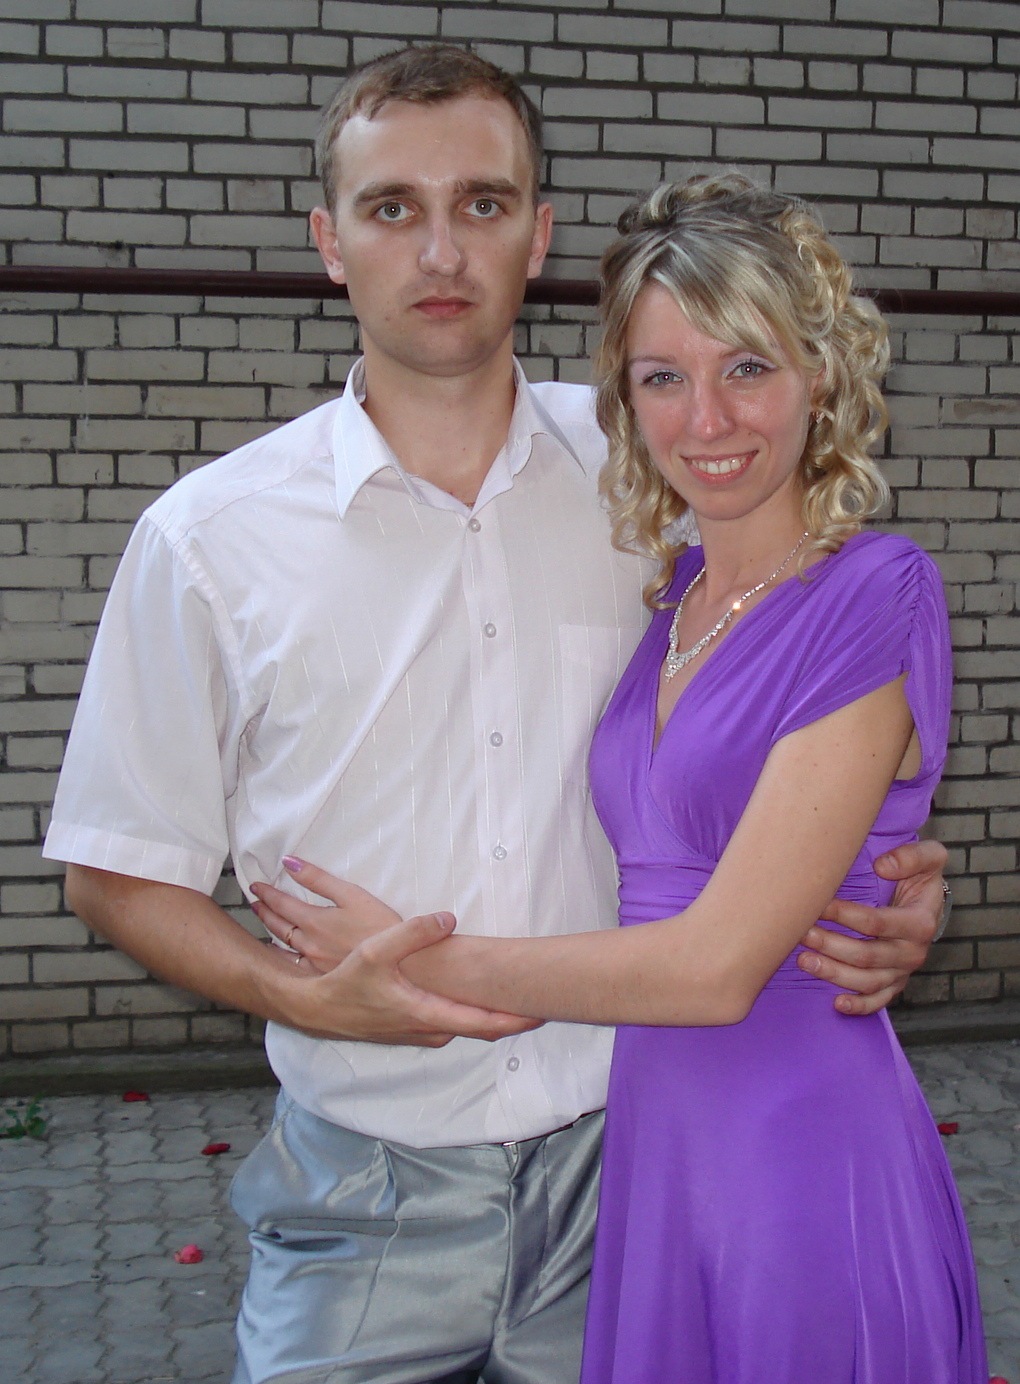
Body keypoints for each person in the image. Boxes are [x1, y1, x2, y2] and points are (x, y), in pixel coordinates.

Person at [43, 46, 949, 1384]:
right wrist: (308, 992)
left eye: (482, 202)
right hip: (364, 1194)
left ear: (539, 231)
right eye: (391, 207)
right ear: (330, 242)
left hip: (629, 1164)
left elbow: (787, 707)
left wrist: (878, 871)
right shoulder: (207, 541)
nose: (440, 250)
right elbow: (114, 869)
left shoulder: (659, 483)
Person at [261, 172, 985, 1383]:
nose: (708, 418)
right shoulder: (671, 596)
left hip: (800, 1159)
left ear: (820, 374)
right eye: (663, 378)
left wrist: (414, 962)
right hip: (654, 1155)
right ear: (625, 399)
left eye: (747, 366)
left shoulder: (875, 591)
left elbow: (713, 967)